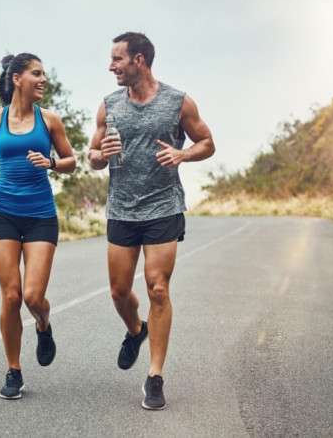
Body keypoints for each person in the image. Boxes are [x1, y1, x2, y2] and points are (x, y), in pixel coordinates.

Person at [88, 32, 215, 410]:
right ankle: (135, 329)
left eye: (117, 60)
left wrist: (182, 155)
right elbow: (92, 155)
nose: (111, 66)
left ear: (139, 60)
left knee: (158, 288)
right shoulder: (109, 105)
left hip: (163, 206)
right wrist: (99, 155)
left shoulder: (177, 102)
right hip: (122, 209)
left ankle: (155, 376)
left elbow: (207, 142)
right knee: (118, 291)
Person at [0, 52, 77, 400]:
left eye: (44, 73)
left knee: (33, 296)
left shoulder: (49, 121)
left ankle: (43, 324)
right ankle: (14, 370)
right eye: (37, 73)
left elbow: (71, 162)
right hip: (2, 212)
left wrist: (49, 162)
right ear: (17, 78)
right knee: (11, 295)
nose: (43, 79)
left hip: (40, 215)